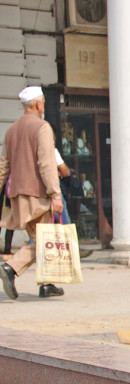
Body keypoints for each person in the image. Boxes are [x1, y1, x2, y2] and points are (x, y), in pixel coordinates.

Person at [0, 86, 65, 300]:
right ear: (38, 104)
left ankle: (47, 284)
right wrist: (55, 194)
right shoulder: (42, 127)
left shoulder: (11, 131)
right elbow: (47, 164)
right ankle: (11, 267)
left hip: (18, 194)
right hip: (37, 194)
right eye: (43, 103)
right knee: (43, 241)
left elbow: (3, 166)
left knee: (40, 237)